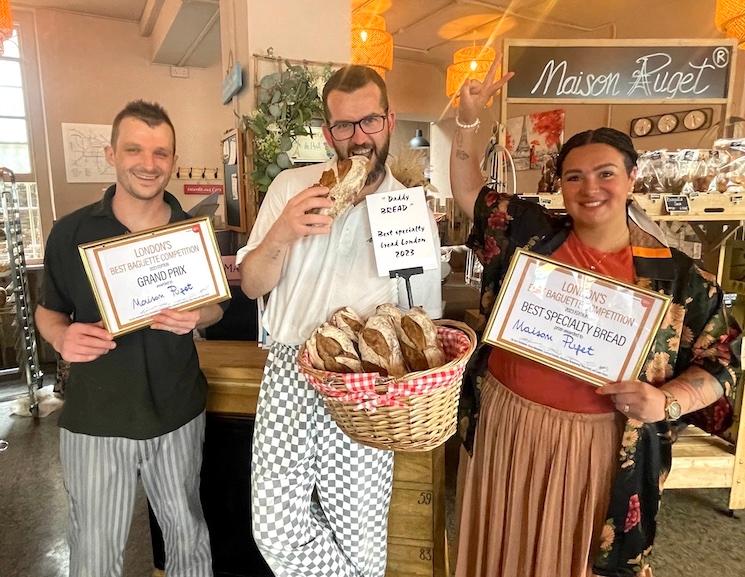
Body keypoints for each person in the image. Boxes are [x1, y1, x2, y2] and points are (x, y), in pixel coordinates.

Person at [450, 62, 740, 577]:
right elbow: (470, 193)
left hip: (596, 448)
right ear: (560, 185)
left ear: (632, 177)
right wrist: (468, 121)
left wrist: (666, 400)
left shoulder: (678, 278)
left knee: (571, 556)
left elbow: (721, 364)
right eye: (574, 176)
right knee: (502, 545)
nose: (591, 188)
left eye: (606, 173)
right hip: (506, 425)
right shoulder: (532, 234)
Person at [237, 65, 442, 577]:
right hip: (289, 369)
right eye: (344, 126)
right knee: (276, 530)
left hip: (363, 380)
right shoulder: (291, 187)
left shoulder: (407, 209)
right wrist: (282, 233)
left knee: (359, 533)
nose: (358, 138)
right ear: (328, 132)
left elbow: (424, 319)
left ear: (389, 120)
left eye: (369, 121)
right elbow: (253, 285)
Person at [36, 100, 223, 577]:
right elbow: (48, 311)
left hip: (177, 411)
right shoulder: (70, 232)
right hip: (97, 416)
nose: (148, 163)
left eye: (161, 153)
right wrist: (62, 337)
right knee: (95, 549)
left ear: (174, 163)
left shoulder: (191, 233)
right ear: (111, 154)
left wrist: (196, 314)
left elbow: (215, 305)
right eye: (135, 149)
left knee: (188, 536)